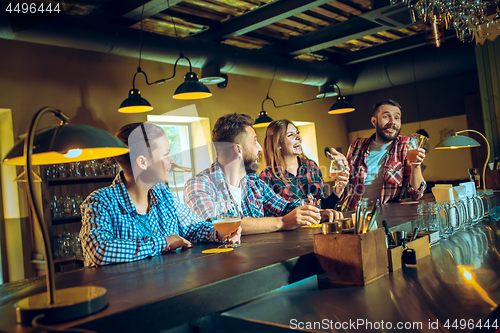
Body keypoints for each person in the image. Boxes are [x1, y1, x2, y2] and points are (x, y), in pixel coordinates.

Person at [80, 122, 241, 267]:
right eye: (166, 154)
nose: (172, 160)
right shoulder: (100, 202)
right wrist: (163, 243)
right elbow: (98, 250)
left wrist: (220, 233)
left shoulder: (163, 194)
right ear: (143, 162)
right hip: (129, 298)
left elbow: (193, 228)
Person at [184, 113, 342, 235]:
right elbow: (221, 226)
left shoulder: (253, 182)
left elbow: (285, 207)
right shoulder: (199, 184)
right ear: (238, 149)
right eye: (254, 141)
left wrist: (318, 214)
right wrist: (282, 223)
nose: (260, 148)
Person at [340, 100, 427, 211]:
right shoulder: (356, 145)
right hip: (352, 214)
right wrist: (340, 165)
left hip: (386, 217)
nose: (392, 122)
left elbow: (416, 194)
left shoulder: (406, 145)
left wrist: (416, 165)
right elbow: (345, 183)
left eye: (397, 118)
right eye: (386, 117)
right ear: (374, 121)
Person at [259, 119, 349, 209]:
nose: (298, 137)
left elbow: (325, 208)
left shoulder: (312, 167)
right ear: (278, 144)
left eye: (297, 132)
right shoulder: (267, 176)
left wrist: (338, 191)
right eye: (290, 135)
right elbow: (269, 216)